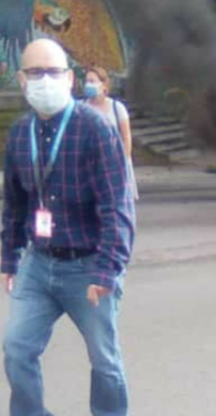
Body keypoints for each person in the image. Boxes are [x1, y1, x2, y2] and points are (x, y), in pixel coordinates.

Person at [1, 39, 135, 416]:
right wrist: (8, 259)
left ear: (70, 78)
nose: (45, 80)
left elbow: (117, 207)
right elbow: (13, 203)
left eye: (53, 72)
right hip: (38, 263)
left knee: (104, 360)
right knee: (16, 349)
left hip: (88, 266)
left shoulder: (94, 129)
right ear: (22, 79)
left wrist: (107, 269)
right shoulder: (19, 134)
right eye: (35, 72)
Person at [84, 65, 139, 199]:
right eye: (86, 81)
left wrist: (123, 161)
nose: (88, 85)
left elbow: (126, 137)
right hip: (90, 166)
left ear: (103, 85)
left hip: (115, 163)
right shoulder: (82, 109)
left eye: (92, 81)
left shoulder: (117, 108)